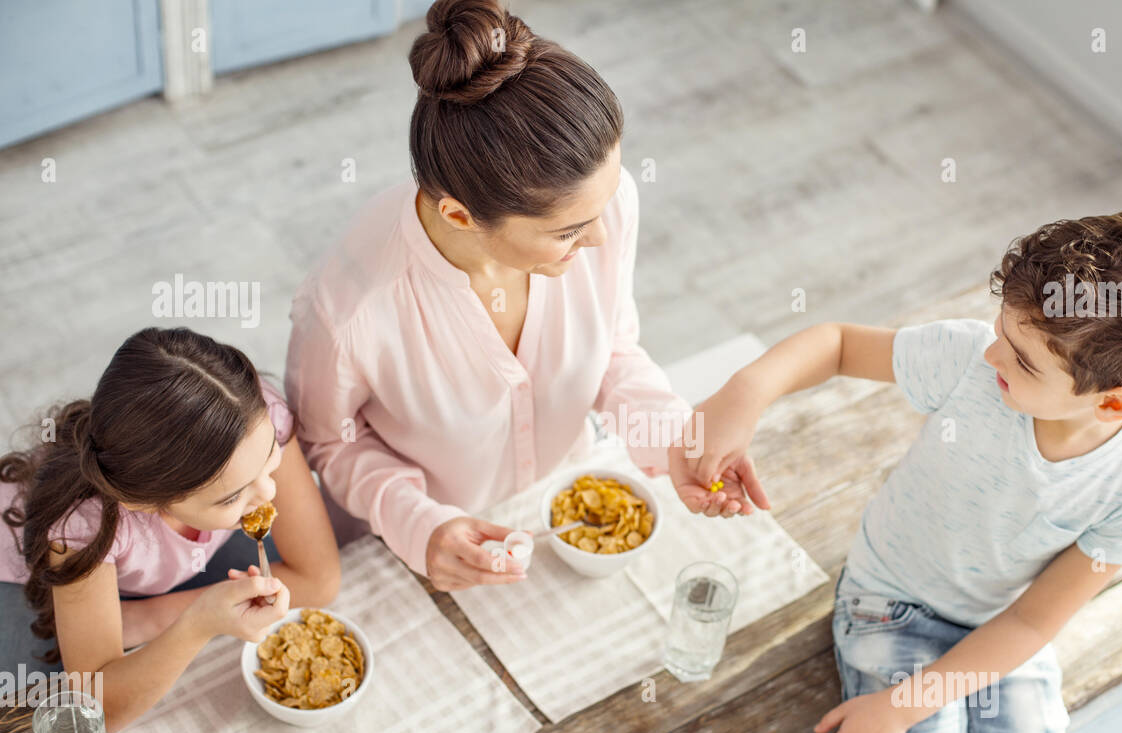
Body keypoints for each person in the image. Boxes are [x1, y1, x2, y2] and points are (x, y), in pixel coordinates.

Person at [685, 207, 1122, 733]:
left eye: (1023, 361)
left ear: (1113, 404)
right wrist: (745, 392)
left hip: (1003, 638)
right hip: (890, 606)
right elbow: (836, 344)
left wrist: (905, 706)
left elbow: (1029, 625)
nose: (994, 353)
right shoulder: (973, 362)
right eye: (1002, 331)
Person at [285, 0, 763, 592]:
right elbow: (329, 443)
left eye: (607, 201)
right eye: (568, 232)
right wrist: (418, 525)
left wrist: (672, 439)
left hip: (559, 498)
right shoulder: (348, 309)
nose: (602, 237)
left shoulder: (600, 208)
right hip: (432, 546)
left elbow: (610, 349)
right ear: (459, 216)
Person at [0, 328, 340, 733]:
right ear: (144, 502)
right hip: (22, 578)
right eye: (231, 497)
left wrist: (145, 619)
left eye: (270, 459)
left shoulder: (251, 420)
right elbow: (100, 707)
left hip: (150, 572)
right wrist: (199, 622)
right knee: (31, 697)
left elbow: (319, 578)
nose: (269, 493)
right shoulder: (81, 527)